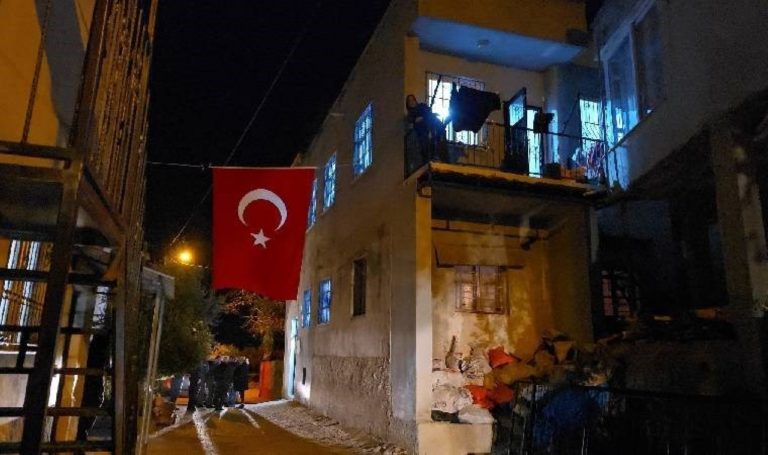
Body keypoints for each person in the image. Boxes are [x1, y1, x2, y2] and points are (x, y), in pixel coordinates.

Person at [405, 94, 446, 165]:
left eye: (412, 100)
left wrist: (426, 116)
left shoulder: (422, 106)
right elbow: (412, 120)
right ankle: (426, 160)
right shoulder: (410, 113)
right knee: (424, 145)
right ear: (408, 103)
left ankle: (436, 154)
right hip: (422, 130)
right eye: (409, 101)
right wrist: (417, 119)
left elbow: (428, 112)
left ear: (415, 100)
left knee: (440, 129)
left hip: (432, 125)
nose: (411, 102)